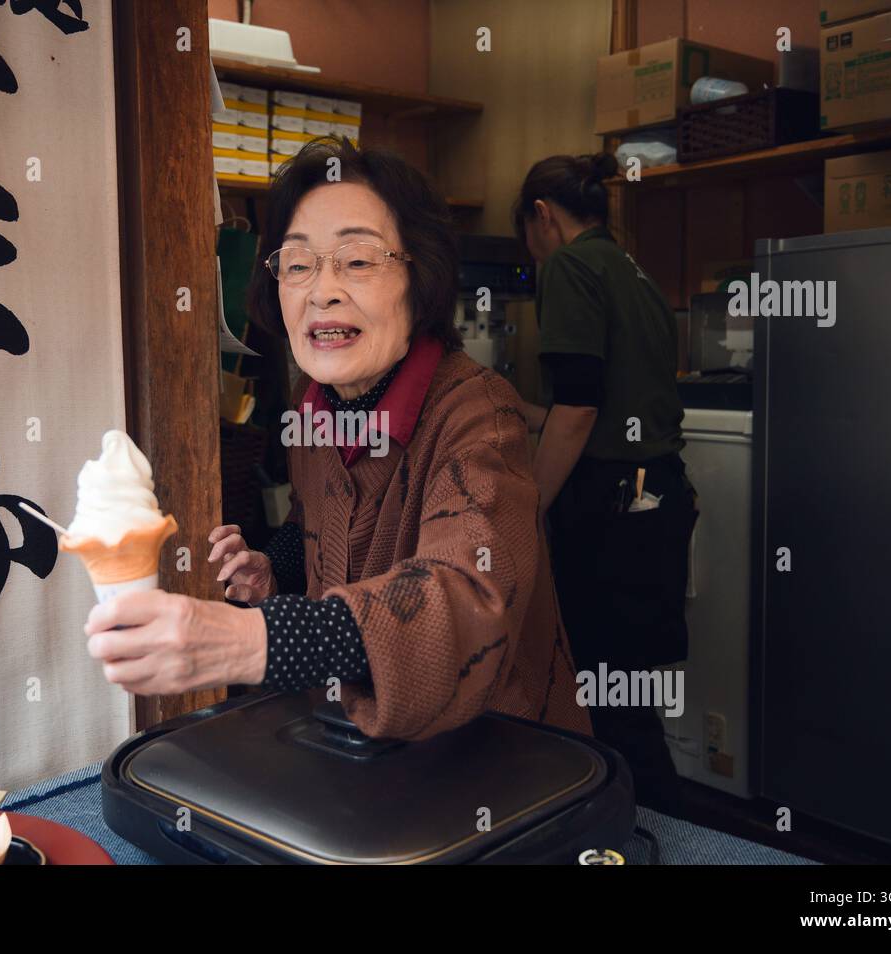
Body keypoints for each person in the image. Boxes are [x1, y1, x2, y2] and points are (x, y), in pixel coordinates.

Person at [86, 136, 590, 741]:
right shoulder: (315, 407)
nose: (321, 289)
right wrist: (273, 569)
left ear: (420, 279)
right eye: (297, 265)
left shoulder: (481, 414)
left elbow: (467, 598)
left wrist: (256, 640)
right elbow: (314, 524)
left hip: (493, 766)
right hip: (358, 754)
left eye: (356, 260)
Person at [512, 152, 698, 815]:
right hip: (657, 497)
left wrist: (527, 506)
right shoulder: (633, 269)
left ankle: (663, 835)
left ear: (542, 216)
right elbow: (606, 402)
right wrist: (532, 415)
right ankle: (636, 829)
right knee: (625, 694)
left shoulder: (569, 264)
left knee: (608, 702)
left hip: (611, 508)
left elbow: (582, 406)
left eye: (526, 240)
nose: (531, 254)